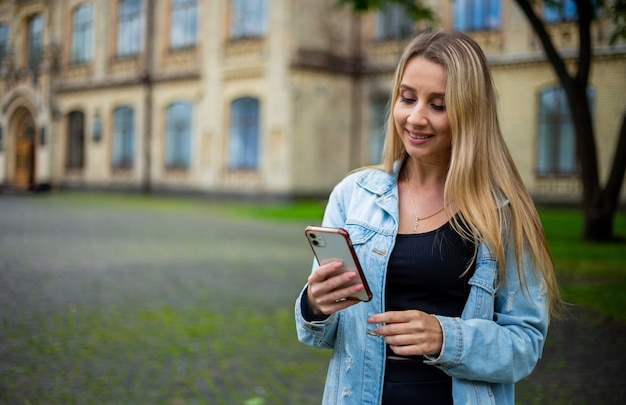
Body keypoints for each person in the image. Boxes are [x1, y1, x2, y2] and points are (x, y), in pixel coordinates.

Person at [294, 31, 562, 405]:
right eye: (407, 98)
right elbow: (321, 335)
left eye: (438, 105)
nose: (415, 118)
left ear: (470, 113)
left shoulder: (502, 214)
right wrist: (315, 305)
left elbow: (524, 345)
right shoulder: (353, 195)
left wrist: (445, 338)